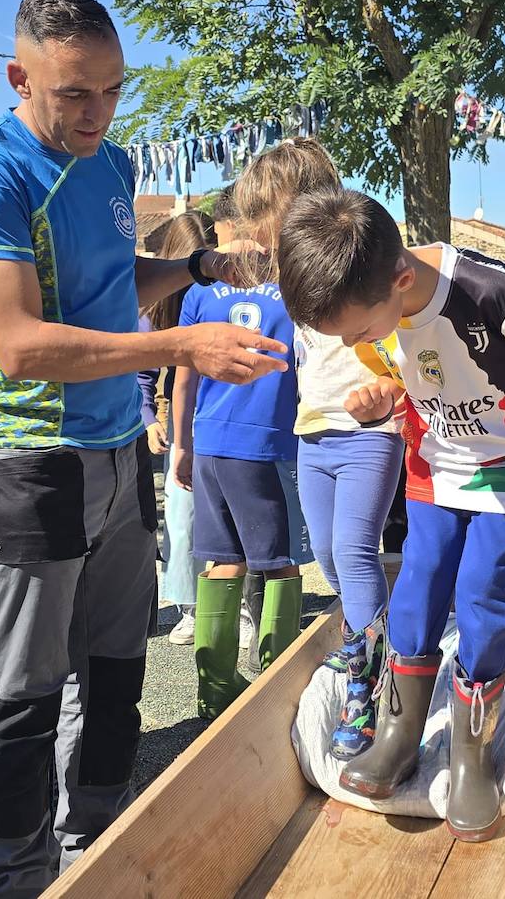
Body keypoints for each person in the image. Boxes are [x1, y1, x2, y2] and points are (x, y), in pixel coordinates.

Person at [0, 0, 286, 898]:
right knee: (22, 693)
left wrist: (194, 269)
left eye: (112, 91)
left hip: (120, 450)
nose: (97, 113)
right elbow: (17, 343)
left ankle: (100, 847)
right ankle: (13, 875)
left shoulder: (110, 163)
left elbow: (109, 280)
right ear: (20, 76)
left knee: (119, 671)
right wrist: (180, 343)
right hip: (28, 462)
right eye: (74, 94)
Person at [276, 188, 505, 842]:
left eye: (360, 332)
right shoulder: (377, 300)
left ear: (399, 278)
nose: (360, 342)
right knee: (418, 581)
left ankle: (472, 752)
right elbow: (426, 371)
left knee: (485, 588)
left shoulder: (495, 294)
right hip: (438, 453)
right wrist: (385, 396)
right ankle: (398, 733)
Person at [231, 139, 405, 759]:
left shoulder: (352, 271)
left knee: (356, 551)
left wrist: (384, 395)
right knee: (328, 556)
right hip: (314, 436)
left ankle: (370, 681)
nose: (258, 239)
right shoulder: (292, 282)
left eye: (265, 223)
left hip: (366, 436)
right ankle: (369, 636)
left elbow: (402, 360)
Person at [173, 224, 309, 719]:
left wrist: (181, 444)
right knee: (280, 561)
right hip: (266, 443)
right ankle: (278, 681)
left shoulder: (200, 289)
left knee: (224, 560)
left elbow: (182, 375)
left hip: (209, 443)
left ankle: (214, 690)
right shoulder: (292, 285)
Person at [140, 211, 213, 646]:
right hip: (177, 424)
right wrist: (150, 422)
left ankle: (236, 602)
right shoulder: (157, 309)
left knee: (223, 516)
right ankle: (189, 605)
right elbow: (142, 375)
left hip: (219, 419)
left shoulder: (216, 297)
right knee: (182, 517)